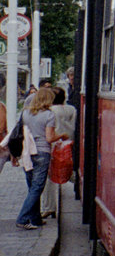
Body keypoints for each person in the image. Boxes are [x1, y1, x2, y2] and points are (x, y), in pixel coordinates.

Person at [15, 86, 57, 230]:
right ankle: (22, 218)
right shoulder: (49, 115)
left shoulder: (25, 113)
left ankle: (35, 218)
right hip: (42, 152)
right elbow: (50, 137)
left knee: (32, 187)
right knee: (37, 187)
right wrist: (62, 135)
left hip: (27, 152)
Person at [41, 86, 75, 219]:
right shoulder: (72, 109)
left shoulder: (50, 111)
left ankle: (49, 207)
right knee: (69, 169)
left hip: (55, 144)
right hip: (69, 143)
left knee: (50, 176)